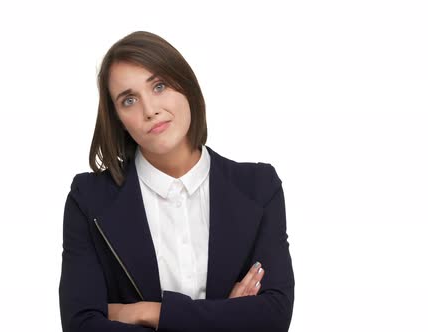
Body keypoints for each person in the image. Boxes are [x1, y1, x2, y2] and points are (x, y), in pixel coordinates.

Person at [59, 30, 295, 332]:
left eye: (159, 86)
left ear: (185, 85)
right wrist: (227, 317)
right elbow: (82, 326)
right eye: (129, 100)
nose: (150, 110)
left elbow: (273, 317)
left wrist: (149, 313)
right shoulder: (89, 199)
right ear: (117, 117)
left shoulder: (258, 187)